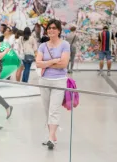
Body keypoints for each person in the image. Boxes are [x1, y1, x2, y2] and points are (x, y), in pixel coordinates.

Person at [35, 19, 70, 150]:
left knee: (54, 110)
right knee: (47, 110)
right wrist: (54, 61)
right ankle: (52, 135)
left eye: (54, 28)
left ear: (59, 30)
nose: (51, 30)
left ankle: (51, 138)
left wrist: (47, 62)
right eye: (49, 28)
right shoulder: (43, 46)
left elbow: (64, 64)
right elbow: (38, 63)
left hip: (59, 81)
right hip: (44, 81)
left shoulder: (65, 45)